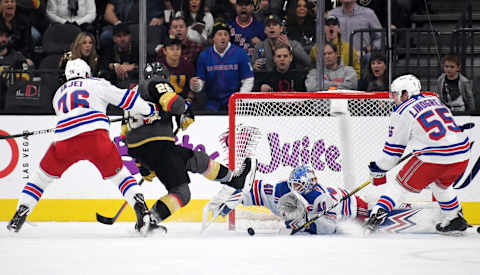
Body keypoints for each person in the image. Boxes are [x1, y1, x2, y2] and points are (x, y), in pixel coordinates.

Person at [7, 59, 161, 234]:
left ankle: (20, 212)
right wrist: (150, 111)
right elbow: (127, 99)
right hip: (96, 137)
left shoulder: (58, 95)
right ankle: (141, 209)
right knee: (120, 176)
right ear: (88, 73)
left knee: (41, 178)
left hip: (64, 140)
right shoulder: (97, 84)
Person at [122, 62, 257, 225]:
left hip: (148, 149)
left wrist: (142, 163)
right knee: (181, 193)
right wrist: (184, 109)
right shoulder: (157, 83)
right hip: (158, 146)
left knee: (196, 160)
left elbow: (125, 134)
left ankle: (232, 179)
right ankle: (149, 220)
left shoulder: (132, 94)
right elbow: (174, 104)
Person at [365, 74, 471, 235]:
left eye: (395, 94)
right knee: (441, 184)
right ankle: (454, 217)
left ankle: (376, 216)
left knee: (399, 185)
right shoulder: (435, 101)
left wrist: (378, 168)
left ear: (405, 93)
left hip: (434, 157)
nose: (394, 98)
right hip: (462, 154)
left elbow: (393, 153)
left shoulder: (402, 111)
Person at [204, 165, 370, 234]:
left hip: (354, 207)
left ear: (308, 185)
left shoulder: (321, 198)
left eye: (298, 186)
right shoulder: (281, 190)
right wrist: (232, 200)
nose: (294, 189)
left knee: (371, 225)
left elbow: (329, 229)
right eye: (293, 184)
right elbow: (251, 189)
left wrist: (307, 224)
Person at [192, 22, 253, 112]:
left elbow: (248, 79)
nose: (223, 37)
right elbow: (200, 81)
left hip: (235, 101)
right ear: (213, 38)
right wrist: (195, 85)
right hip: (212, 102)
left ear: (229, 37)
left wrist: (239, 99)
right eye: (219, 34)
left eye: (226, 34)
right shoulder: (204, 55)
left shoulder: (240, 53)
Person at [328, 0, 383, 67]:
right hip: (337, 60)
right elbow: (323, 39)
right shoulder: (331, 15)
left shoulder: (368, 14)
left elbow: (380, 38)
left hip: (362, 60)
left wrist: (365, 51)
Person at [310, 15, 360, 79]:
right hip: (323, 85)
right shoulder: (315, 49)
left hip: (344, 85)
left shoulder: (348, 48)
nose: (331, 26)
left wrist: (349, 82)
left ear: (339, 29)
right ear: (324, 29)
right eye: (328, 24)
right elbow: (311, 69)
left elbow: (357, 71)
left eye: (334, 24)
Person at [158, 37, 198, 109]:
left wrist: (188, 102)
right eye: (172, 49)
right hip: (163, 103)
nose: (175, 51)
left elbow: (191, 92)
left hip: (183, 103)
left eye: (178, 49)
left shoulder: (188, 66)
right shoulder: (158, 67)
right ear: (164, 51)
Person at [0, 0, 34, 65]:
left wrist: (24, 58)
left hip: (18, 55)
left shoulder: (23, 21)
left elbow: (27, 44)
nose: (10, 4)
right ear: (1, 5)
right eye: (6, 2)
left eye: (12, 1)